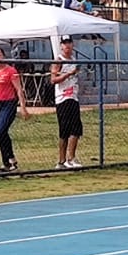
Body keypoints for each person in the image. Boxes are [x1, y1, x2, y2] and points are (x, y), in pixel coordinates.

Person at [49, 36, 85, 168]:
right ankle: (61, 160)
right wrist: (68, 74)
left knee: (76, 128)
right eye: (65, 44)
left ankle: (71, 158)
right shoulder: (58, 60)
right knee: (64, 130)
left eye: (69, 43)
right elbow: (53, 80)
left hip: (73, 97)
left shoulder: (74, 60)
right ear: (61, 46)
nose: (67, 46)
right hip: (62, 98)